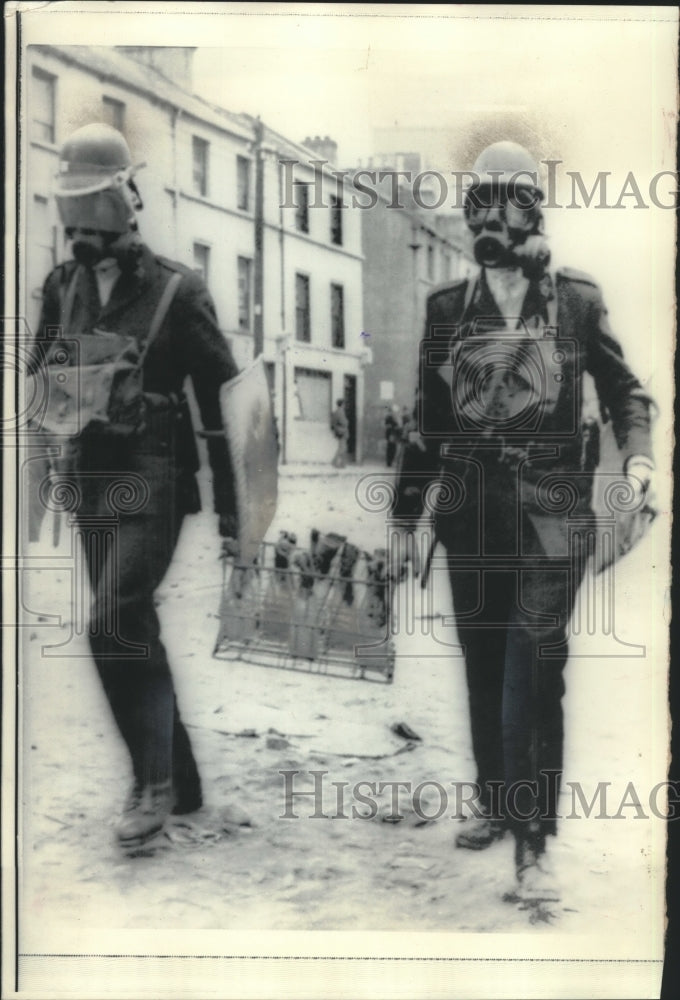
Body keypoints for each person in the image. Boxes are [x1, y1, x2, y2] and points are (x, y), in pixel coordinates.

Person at [392, 140, 655, 904]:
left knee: (532, 667)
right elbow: (427, 425)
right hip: (471, 513)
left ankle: (533, 844)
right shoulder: (448, 309)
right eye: (480, 201)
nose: (491, 219)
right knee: (481, 658)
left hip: (551, 513)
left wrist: (635, 463)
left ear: (532, 212)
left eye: (507, 201)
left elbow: (626, 392)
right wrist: (409, 519)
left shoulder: (575, 298)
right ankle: (497, 802)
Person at [28, 123, 241, 850]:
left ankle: (149, 787)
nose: (79, 227)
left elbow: (226, 406)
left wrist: (240, 524)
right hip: (92, 482)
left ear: (125, 201)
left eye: (93, 205)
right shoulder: (61, 289)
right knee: (131, 627)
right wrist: (44, 465)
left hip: (155, 479)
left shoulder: (179, 290)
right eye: (70, 208)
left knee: (112, 621)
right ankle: (178, 780)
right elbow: (43, 380)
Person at [330, 398, 349, 468]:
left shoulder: (337, 412)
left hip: (341, 432)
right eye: (344, 404)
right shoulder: (340, 412)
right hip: (342, 432)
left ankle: (342, 464)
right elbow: (343, 422)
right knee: (342, 448)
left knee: (343, 448)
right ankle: (334, 462)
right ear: (342, 404)